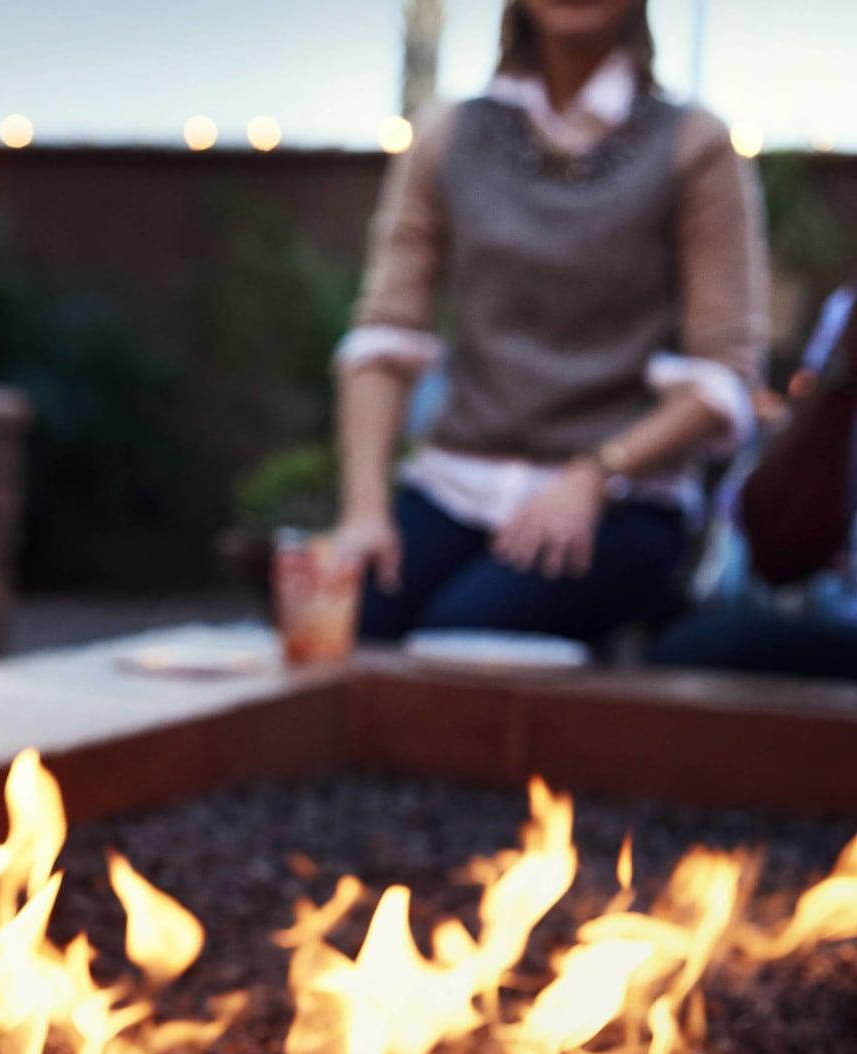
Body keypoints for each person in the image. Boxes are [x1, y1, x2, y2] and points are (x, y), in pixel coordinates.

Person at [328, 0, 769, 647]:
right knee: (349, 623)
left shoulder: (694, 145)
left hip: (621, 498)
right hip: (456, 482)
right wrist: (364, 512)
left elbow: (723, 375)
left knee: (463, 642)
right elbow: (383, 338)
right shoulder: (450, 134)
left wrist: (595, 474)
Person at [649, 284, 857, 678]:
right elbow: (780, 554)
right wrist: (844, 371)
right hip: (802, 606)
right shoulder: (844, 311)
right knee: (690, 649)